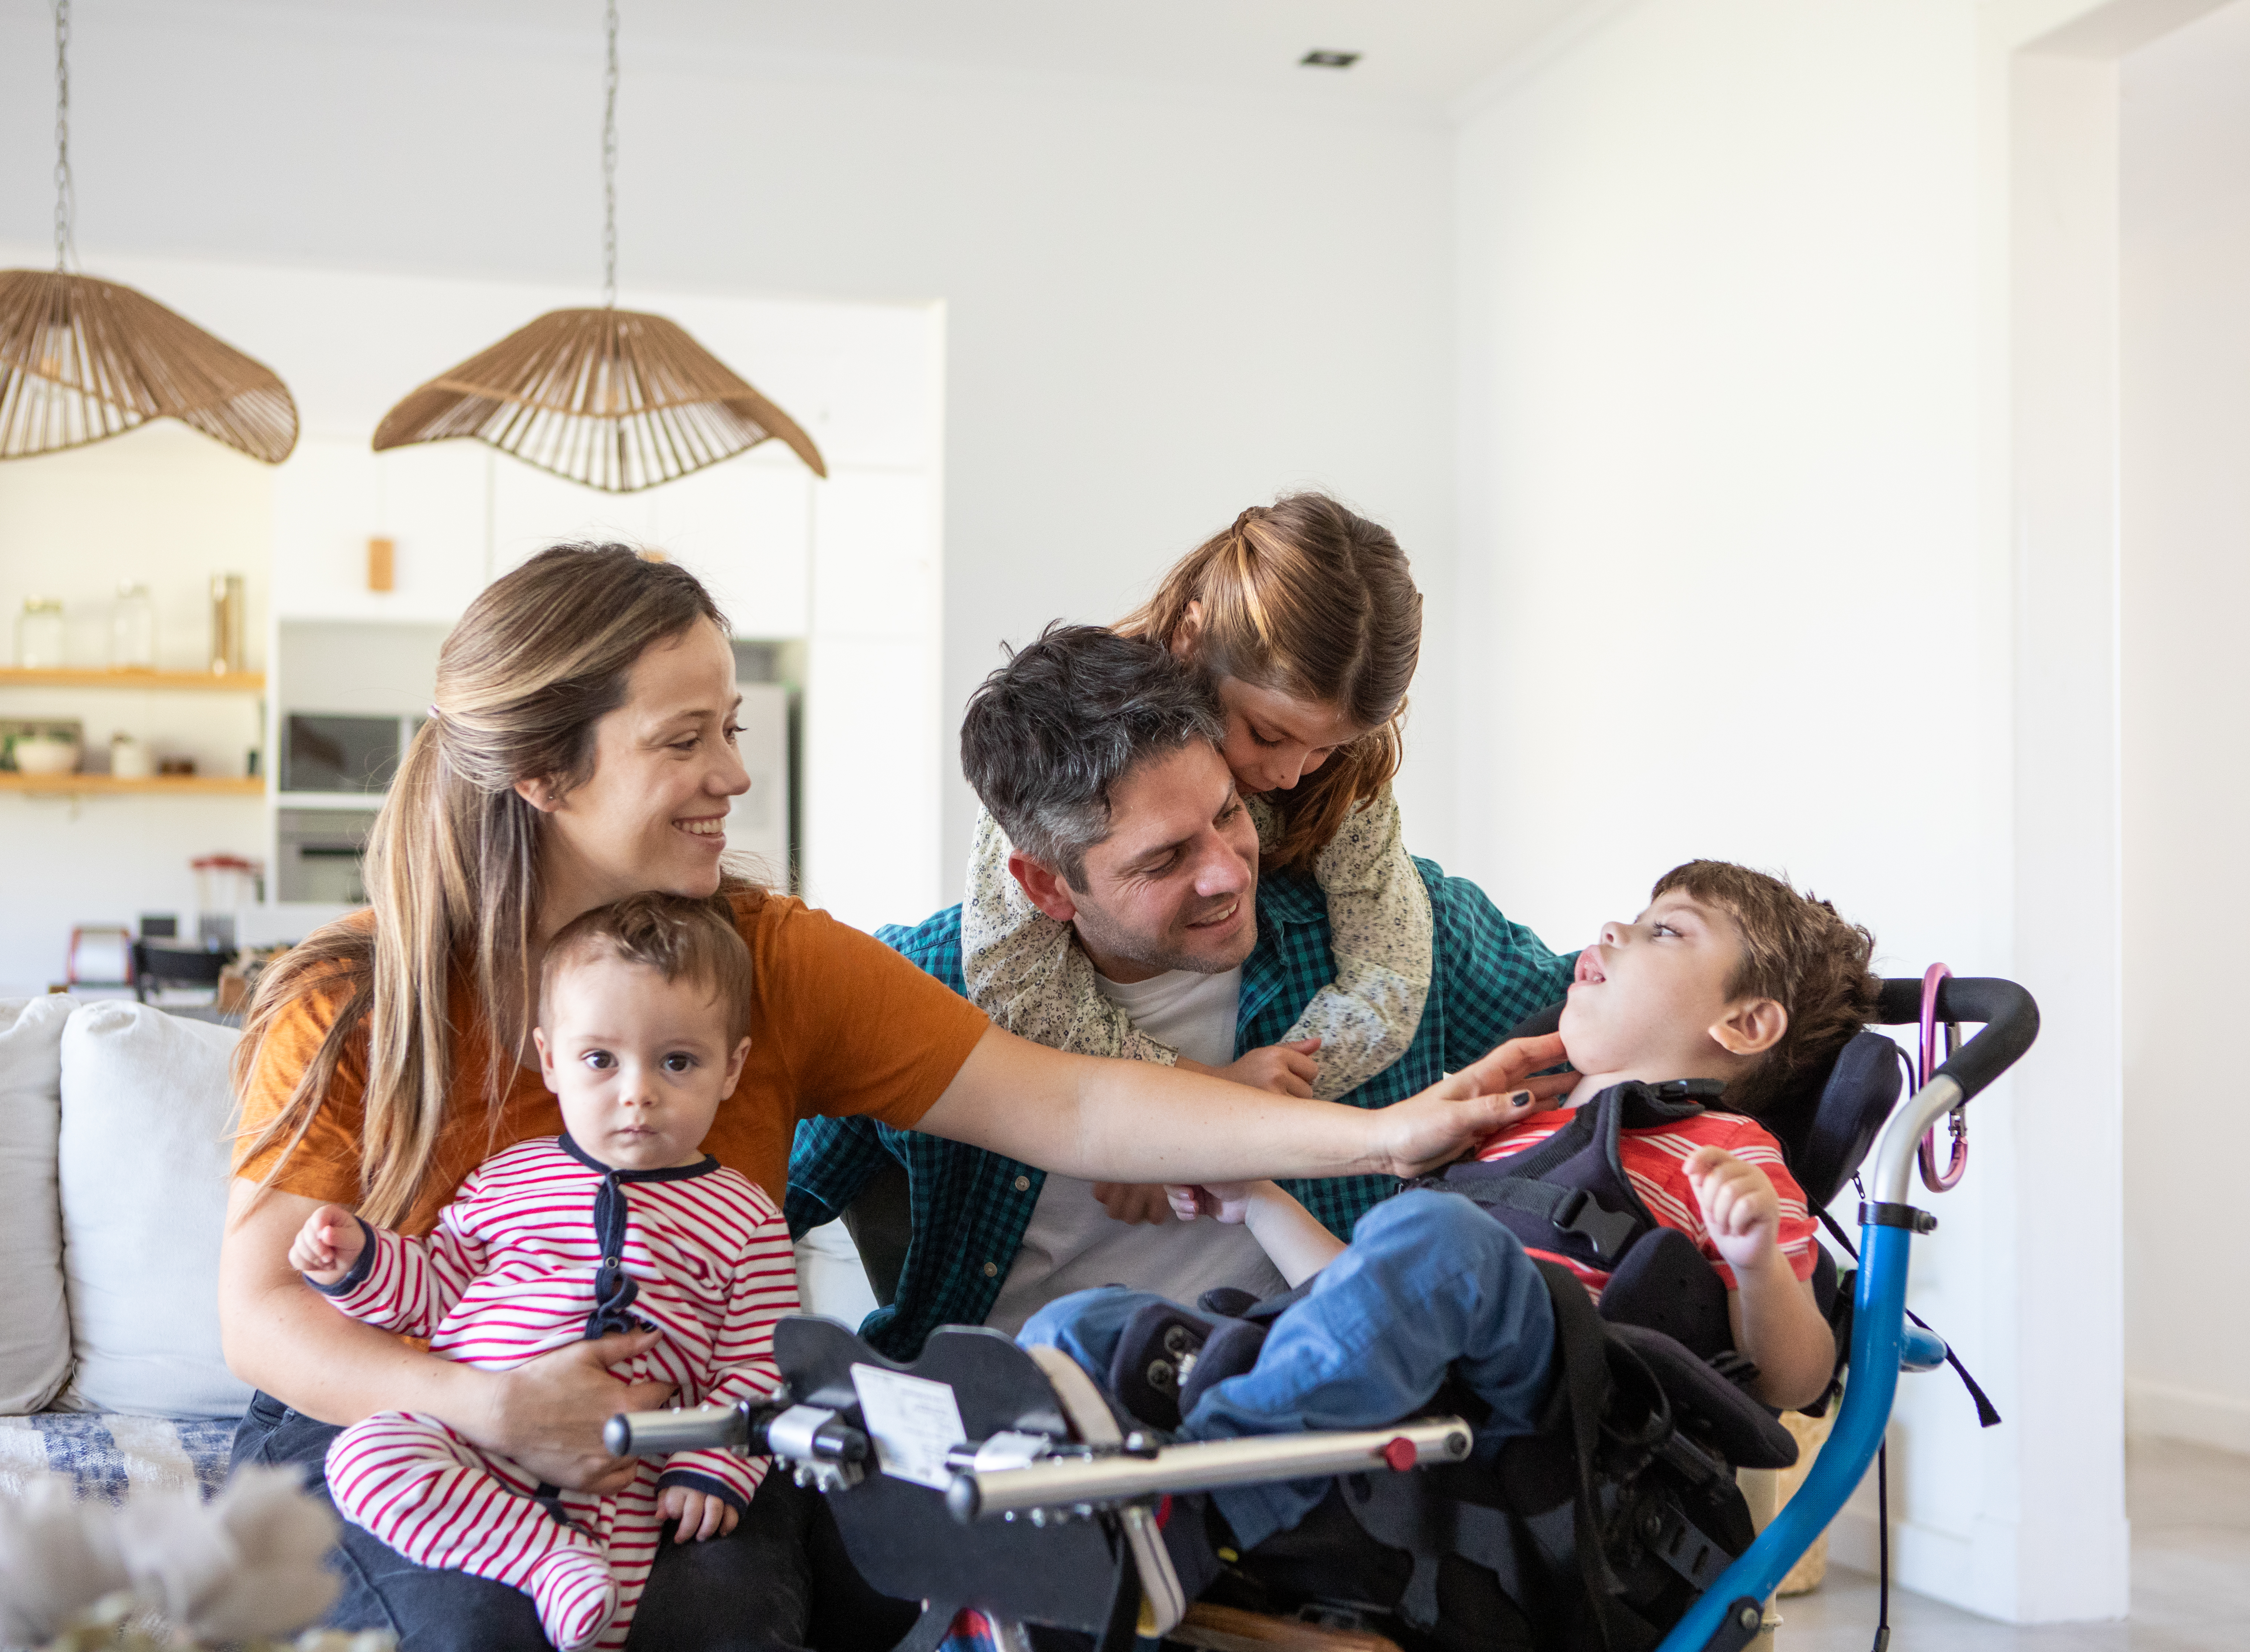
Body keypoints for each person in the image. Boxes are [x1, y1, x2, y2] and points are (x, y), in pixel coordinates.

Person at [222, 544, 1552, 1649]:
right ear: (546, 773)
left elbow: (1075, 1109)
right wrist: (500, 1410)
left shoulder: (771, 959)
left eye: (730, 729)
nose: (735, 776)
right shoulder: (357, 997)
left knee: (739, 1612)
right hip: (409, 1426)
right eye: (684, 740)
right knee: (495, 1628)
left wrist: (1383, 1134)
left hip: (672, 1426)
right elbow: (264, 1313)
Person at [788, 626, 1585, 1357]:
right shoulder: (920, 989)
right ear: (1047, 885)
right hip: (1020, 1447)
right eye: (1165, 859)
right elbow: (741, 1198)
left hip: (1316, 1432)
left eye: (1230, 812)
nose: (1230, 872)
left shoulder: (1376, 936)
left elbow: (1612, 1016)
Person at [1022, 861, 1867, 1547]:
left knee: (1436, 1235)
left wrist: (1757, 1262)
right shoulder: (1503, 1134)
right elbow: (1357, 1294)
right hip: (1405, 1383)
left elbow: (1796, 1379)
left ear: (1748, 1023)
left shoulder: (1727, 1153)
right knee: (1099, 1320)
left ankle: (1204, 1484)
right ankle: (1024, 1465)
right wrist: (1255, 1191)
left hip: (1551, 1404)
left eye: (1667, 929)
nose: (1614, 927)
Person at [292, 895, 787, 1650]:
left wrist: (713, 1465)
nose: (637, 1091)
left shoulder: (745, 1216)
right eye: (600, 1059)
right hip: (472, 1447)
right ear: (550, 1059)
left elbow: (758, 1366)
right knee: (363, 1455)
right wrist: (359, 1261)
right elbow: (434, 1289)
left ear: (732, 1068)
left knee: (609, 1624)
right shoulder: (506, 1180)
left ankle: (573, 1574)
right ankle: (542, 1555)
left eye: (678, 1061)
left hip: (630, 1472)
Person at [962, 494, 1433, 1109]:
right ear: (1191, 638)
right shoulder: (1076, 733)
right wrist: (1197, 1100)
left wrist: (1264, 1097)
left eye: (1328, 749)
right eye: (1268, 735)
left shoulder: (1345, 782)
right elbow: (1015, 987)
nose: (1293, 776)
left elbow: (1389, 973)